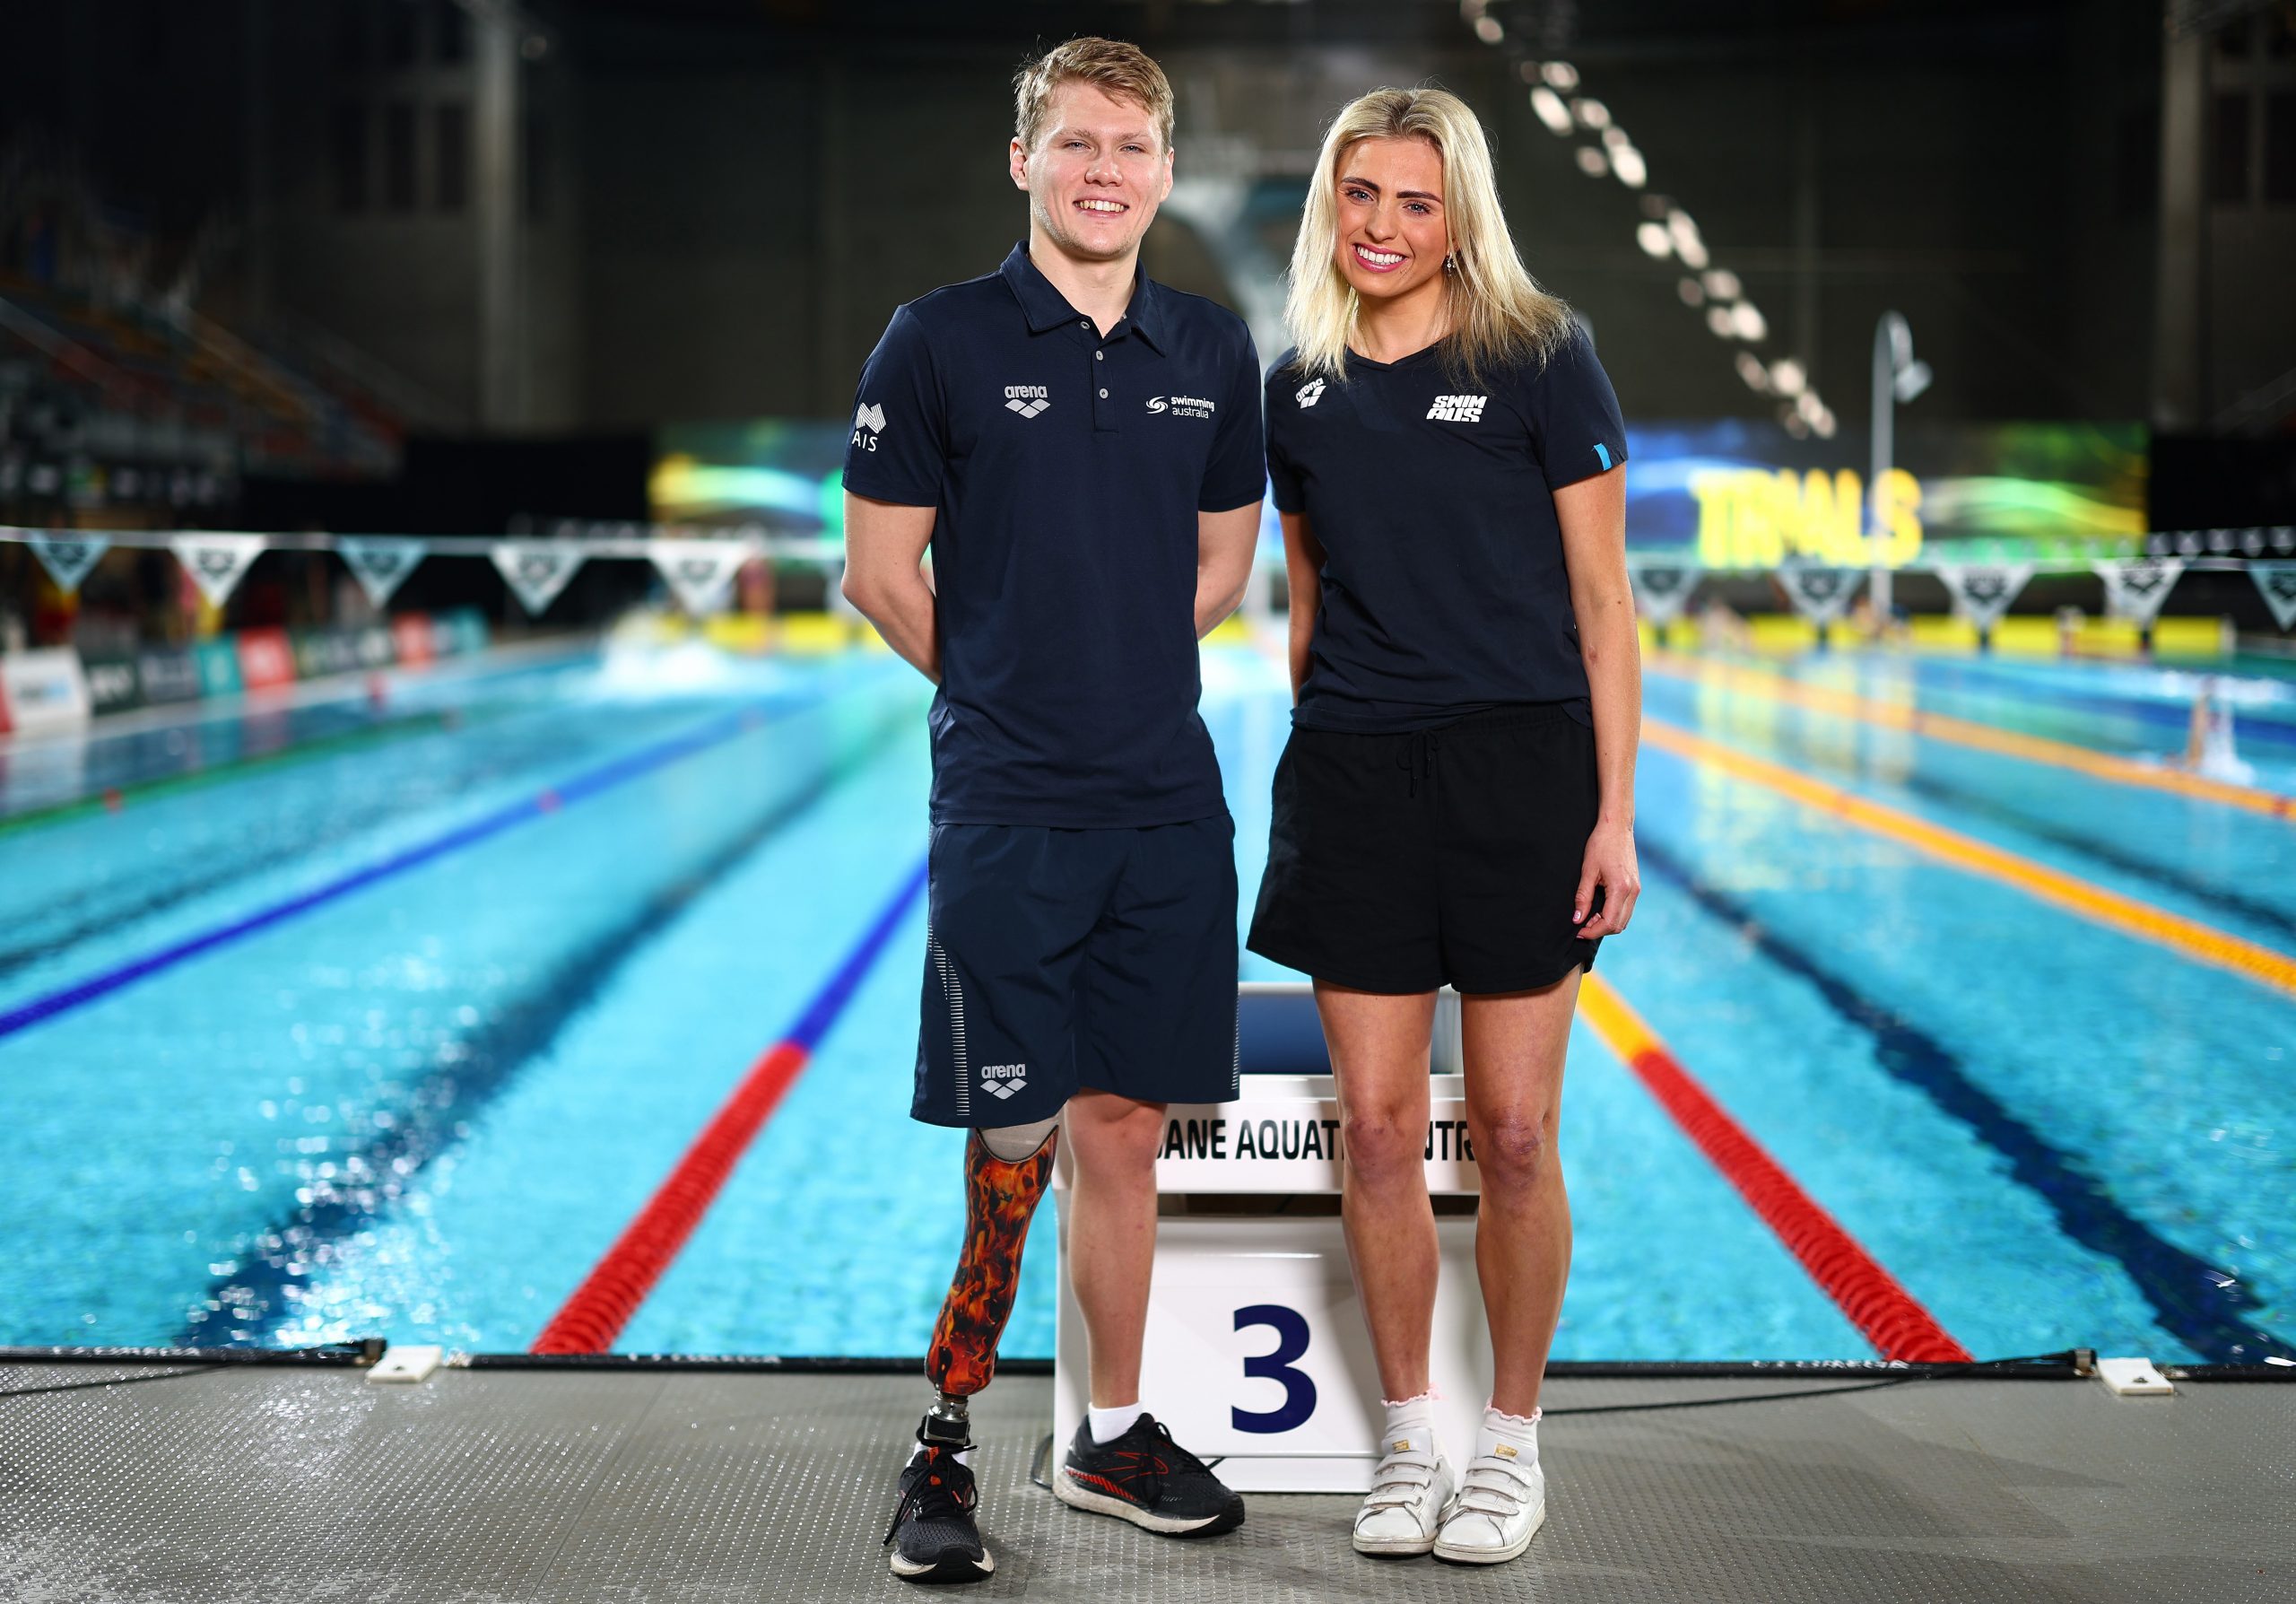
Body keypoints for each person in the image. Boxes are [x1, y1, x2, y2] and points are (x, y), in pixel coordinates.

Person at [838, 36, 1266, 1586]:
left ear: (1162, 169)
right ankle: (945, 1440)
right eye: (1076, 143)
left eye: (1133, 147)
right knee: (1011, 1137)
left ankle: (1113, 1431)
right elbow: (882, 578)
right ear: (1023, 161)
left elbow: (1221, 568)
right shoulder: (937, 342)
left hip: (1165, 810)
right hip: (1010, 808)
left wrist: (1115, 671)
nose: (1106, 171)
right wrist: (1017, 678)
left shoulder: (1210, 350)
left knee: (1128, 1130)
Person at [1247, 87, 1640, 1567]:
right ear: (1329, 207)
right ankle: (1411, 1433)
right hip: (1356, 773)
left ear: (1460, 212)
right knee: (1380, 1131)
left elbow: (1606, 610)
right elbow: (1309, 594)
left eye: (1417, 201)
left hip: (1522, 775)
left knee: (1522, 1136)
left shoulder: (1544, 356)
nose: (1386, 228)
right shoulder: (1299, 385)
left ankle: (1511, 1441)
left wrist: (1612, 815)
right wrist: (1318, 747)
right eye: (1363, 198)